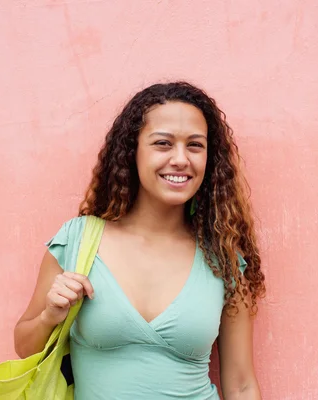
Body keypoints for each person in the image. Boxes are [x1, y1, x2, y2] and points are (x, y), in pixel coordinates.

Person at [14, 81, 266, 399]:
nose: (180, 159)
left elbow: (242, 384)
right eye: (162, 144)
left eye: (195, 145)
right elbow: (24, 347)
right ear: (133, 151)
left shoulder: (224, 259)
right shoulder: (77, 242)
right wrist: (51, 314)